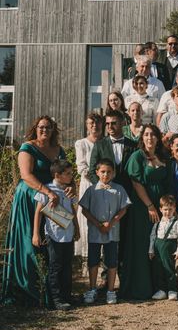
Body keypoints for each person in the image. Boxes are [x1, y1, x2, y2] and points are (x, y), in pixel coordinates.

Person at [2, 116, 69, 305]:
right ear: (36, 128)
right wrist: (47, 192)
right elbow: (26, 175)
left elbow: (64, 174)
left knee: (54, 242)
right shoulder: (27, 147)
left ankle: (53, 291)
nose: (44, 130)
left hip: (53, 200)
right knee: (30, 242)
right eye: (41, 127)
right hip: (30, 198)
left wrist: (70, 185)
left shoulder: (59, 150)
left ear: (53, 129)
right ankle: (28, 290)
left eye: (48, 127)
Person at [120, 124, 173, 300]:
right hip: (143, 207)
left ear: (158, 138)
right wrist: (150, 206)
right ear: (142, 138)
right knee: (142, 244)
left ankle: (160, 285)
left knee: (159, 245)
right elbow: (136, 183)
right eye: (146, 135)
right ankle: (140, 287)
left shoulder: (163, 156)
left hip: (162, 208)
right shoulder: (137, 156)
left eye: (153, 135)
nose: (150, 138)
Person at [79, 158, 130, 305]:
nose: (105, 175)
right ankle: (92, 288)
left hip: (112, 232)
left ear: (113, 173)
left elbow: (123, 209)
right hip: (95, 232)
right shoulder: (91, 190)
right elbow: (84, 210)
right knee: (93, 260)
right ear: (97, 172)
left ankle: (110, 290)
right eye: (102, 172)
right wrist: (98, 224)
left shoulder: (119, 189)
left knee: (112, 261)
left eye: (109, 172)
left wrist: (111, 223)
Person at [31, 159, 79, 310]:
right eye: (68, 174)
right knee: (55, 266)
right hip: (54, 235)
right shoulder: (47, 189)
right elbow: (38, 212)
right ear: (57, 175)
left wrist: (76, 229)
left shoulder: (69, 190)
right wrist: (35, 234)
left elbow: (73, 210)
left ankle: (67, 296)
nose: (71, 176)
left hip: (69, 234)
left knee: (67, 266)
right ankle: (56, 299)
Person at [75, 113, 104, 261]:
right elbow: (82, 167)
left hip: (105, 185)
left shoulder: (106, 142)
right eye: (91, 123)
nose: (94, 126)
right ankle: (87, 257)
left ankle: (102, 257)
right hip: (89, 184)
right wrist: (98, 179)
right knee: (87, 219)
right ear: (87, 125)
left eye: (97, 123)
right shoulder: (81, 143)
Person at [89, 110, 137, 197]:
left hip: (128, 195)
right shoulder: (99, 145)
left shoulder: (133, 146)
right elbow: (92, 171)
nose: (110, 126)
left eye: (113, 123)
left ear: (122, 123)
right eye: (107, 123)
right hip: (105, 194)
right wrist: (102, 187)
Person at [149, 195, 178, 301]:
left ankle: (172, 290)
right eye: (165, 209)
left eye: (170, 209)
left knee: (169, 269)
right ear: (160, 209)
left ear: (174, 209)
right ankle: (161, 290)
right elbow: (152, 237)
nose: (167, 212)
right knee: (158, 269)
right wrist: (151, 250)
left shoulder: (177, 223)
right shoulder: (157, 224)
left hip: (170, 249)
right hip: (158, 249)